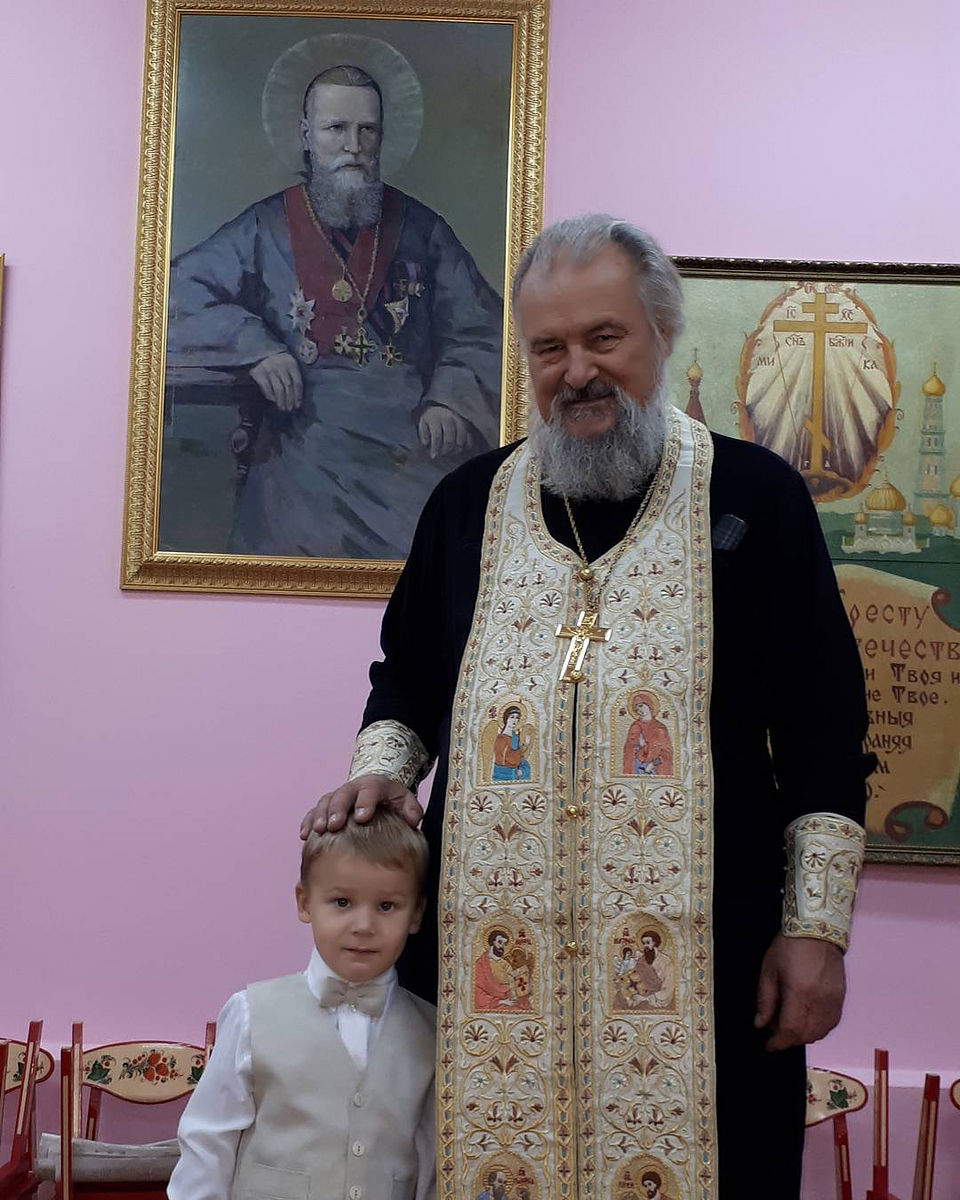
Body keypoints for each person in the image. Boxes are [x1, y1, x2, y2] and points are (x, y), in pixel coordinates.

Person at [303, 215, 874, 1197]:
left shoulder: (757, 499)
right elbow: (407, 678)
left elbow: (825, 729)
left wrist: (816, 930)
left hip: (711, 973)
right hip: (484, 978)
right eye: (549, 348)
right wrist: (383, 771)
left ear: (661, 331)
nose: (577, 372)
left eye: (604, 338)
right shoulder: (466, 506)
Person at [166, 42, 502, 559]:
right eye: (336, 129)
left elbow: (481, 326)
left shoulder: (423, 229)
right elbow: (174, 291)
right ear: (306, 135)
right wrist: (257, 347)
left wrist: (451, 400)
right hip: (303, 451)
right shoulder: (263, 227)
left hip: (409, 451)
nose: (353, 146)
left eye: (368, 130)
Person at [168, 810, 436, 1200]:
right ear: (305, 902)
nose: (363, 926)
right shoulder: (251, 1014)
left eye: (386, 906)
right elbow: (207, 1144)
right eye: (342, 902)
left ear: (416, 914)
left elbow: (432, 1165)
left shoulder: (433, 1032)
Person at [622, 693, 673, 776]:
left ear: (649, 705)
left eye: (641, 706)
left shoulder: (660, 728)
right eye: (636, 709)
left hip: (655, 767)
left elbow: (666, 752)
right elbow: (629, 749)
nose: (640, 710)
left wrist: (652, 764)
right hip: (637, 766)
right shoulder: (635, 726)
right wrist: (639, 746)